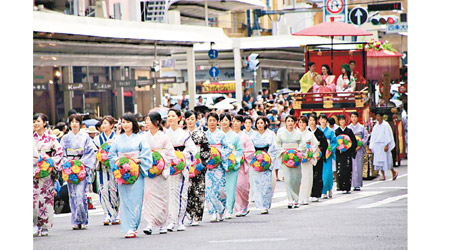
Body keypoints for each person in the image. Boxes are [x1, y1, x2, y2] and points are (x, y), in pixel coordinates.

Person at [108, 112, 153, 238]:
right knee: (125, 199)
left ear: (133, 123)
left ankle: (133, 227)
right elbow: (111, 155)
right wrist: (119, 163)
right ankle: (128, 227)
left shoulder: (140, 138)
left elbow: (146, 155)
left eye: (128, 122)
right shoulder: (118, 139)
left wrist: (136, 161)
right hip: (123, 172)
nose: (126, 125)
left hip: (136, 171)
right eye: (123, 122)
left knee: (136, 199)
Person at [60, 114, 96, 230]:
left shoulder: (85, 137)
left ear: (80, 124)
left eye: (77, 121)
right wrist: (67, 164)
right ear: (69, 124)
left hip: (81, 167)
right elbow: (61, 153)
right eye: (72, 122)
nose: (74, 124)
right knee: (73, 194)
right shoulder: (65, 138)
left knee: (81, 194)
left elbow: (91, 152)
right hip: (69, 167)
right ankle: (75, 219)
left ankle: (83, 219)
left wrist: (81, 164)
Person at [142, 112, 175, 235]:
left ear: (156, 122)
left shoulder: (164, 137)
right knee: (149, 198)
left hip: (161, 171)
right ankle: (150, 223)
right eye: (145, 120)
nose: (146, 123)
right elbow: (141, 153)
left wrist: (159, 161)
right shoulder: (144, 137)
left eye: (148, 120)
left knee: (162, 198)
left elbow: (171, 154)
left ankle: (162, 224)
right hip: (149, 171)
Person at [165, 109, 197, 231]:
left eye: (173, 116)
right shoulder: (165, 134)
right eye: (168, 116)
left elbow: (193, 150)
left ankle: (180, 221)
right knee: (170, 194)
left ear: (179, 118)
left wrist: (181, 157)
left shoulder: (184, 134)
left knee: (181, 194)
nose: (170, 118)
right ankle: (171, 221)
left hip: (181, 166)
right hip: (169, 167)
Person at [33, 113, 64, 237]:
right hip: (33, 171)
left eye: (38, 121)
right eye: (34, 121)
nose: (35, 124)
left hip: (47, 172)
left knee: (46, 199)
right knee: (33, 199)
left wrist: (50, 163)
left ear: (45, 123)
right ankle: (34, 224)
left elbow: (59, 153)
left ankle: (45, 225)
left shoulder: (52, 139)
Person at [184, 110, 211, 226]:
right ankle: (188, 214)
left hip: (198, 164)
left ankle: (197, 216)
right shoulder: (182, 134)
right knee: (187, 190)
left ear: (196, 120)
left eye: (192, 119)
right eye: (188, 119)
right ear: (184, 120)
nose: (190, 121)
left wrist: (203, 163)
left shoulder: (201, 134)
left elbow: (206, 149)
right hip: (185, 164)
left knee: (198, 190)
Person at [204, 112, 233, 222]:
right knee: (209, 189)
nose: (212, 123)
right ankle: (212, 213)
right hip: (208, 166)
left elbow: (229, 147)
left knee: (220, 189)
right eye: (210, 120)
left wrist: (219, 154)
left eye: (214, 120)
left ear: (217, 122)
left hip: (219, 165)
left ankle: (221, 210)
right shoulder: (204, 135)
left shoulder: (221, 135)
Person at [92, 115, 120, 226]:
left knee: (114, 190)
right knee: (103, 190)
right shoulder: (97, 139)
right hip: (102, 168)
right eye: (102, 123)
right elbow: (94, 152)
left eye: (106, 123)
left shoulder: (117, 138)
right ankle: (107, 214)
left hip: (114, 168)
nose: (103, 126)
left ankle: (116, 213)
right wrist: (100, 157)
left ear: (112, 125)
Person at [249, 117, 278, 214]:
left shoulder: (270, 134)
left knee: (266, 184)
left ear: (265, 124)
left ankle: (265, 205)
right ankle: (259, 204)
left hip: (266, 160)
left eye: (262, 123)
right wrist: (254, 159)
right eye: (258, 123)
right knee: (257, 183)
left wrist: (268, 160)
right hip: (257, 160)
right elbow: (250, 149)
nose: (260, 125)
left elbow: (274, 149)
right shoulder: (253, 135)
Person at [219, 113, 244, 219]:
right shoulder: (217, 135)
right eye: (222, 120)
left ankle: (229, 210)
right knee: (220, 188)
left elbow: (239, 150)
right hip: (219, 164)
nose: (224, 122)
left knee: (230, 187)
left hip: (231, 164)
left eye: (226, 120)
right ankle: (220, 209)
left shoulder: (235, 136)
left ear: (230, 122)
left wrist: (233, 159)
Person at [276, 115, 302, 208]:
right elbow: (278, 144)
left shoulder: (298, 133)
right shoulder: (280, 132)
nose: (290, 123)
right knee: (288, 179)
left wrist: (296, 152)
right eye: (288, 121)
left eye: (292, 121)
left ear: (295, 123)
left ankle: (296, 199)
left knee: (296, 179)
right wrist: (284, 153)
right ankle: (290, 199)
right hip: (286, 157)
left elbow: (302, 145)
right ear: (285, 122)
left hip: (295, 158)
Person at [231, 115, 255, 217]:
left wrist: (242, 156)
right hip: (231, 165)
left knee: (242, 186)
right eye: (234, 121)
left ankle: (244, 205)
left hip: (242, 164)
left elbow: (251, 151)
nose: (235, 123)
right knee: (234, 186)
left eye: (238, 121)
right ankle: (237, 208)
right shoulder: (229, 135)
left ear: (241, 123)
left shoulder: (245, 137)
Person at [369, 110, 399, 181]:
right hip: (377, 145)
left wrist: (386, 144)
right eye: (376, 116)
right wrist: (372, 145)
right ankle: (383, 175)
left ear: (382, 117)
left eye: (379, 116)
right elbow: (373, 136)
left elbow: (388, 135)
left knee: (387, 160)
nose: (377, 117)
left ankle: (393, 172)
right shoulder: (376, 126)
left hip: (384, 145)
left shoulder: (386, 125)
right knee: (379, 161)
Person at [297, 115, 319, 205]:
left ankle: (305, 197)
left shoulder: (310, 134)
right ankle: (298, 197)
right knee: (298, 179)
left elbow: (315, 144)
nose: (302, 124)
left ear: (306, 124)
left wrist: (309, 154)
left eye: (303, 122)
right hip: (297, 157)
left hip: (307, 158)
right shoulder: (296, 133)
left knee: (307, 178)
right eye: (300, 122)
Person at [334, 115, 358, 194]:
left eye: (343, 120)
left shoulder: (349, 131)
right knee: (340, 170)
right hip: (340, 154)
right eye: (340, 120)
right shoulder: (336, 131)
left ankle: (347, 187)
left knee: (348, 170)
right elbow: (334, 143)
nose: (342, 122)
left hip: (347, 153)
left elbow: (353, 142)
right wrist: (338, 148)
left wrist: (350, 148)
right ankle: (340, 186)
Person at [308, 114, 328, 202]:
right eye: (310, 120)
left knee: (317, 174)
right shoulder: (306, 132)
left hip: (317, 156)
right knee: (308, 175)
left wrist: (319, 151)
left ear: (316, 121)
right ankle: (308, 192)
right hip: (308, 157)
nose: (311, 122)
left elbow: (325, 144)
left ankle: (316, 193)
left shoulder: (320, 133)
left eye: (313, 120)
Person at [348, 112, 369, 191]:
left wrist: (360, 144)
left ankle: (357, 185)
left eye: (355, 117)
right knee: (352, 166)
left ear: (357, 118)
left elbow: (365, 137)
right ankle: (351, 183)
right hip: (351, 148)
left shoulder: (361, 127)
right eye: (352, 117)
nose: (353, 118)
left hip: (359, 148)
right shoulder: (348, 128)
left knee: (358, 166)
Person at [318, 113, 337, 199]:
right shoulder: (317, 131)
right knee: (320, 173)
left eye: (324, 119)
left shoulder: (330, 131)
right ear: (319, 121)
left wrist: (330, 149)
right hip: (318, 153)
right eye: (321, 119)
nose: (323, 121)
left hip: (327, 154)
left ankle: (329, 188)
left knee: (327, 173)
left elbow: (334, 142)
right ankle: (323, 190)